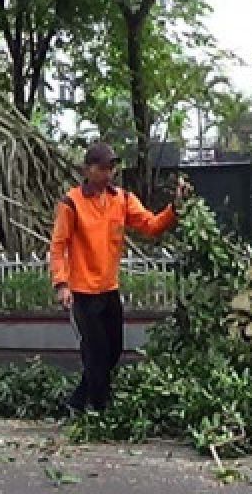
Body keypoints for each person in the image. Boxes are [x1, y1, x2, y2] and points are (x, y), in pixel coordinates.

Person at [50, 142, 191, 413]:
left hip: (108, 289)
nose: (108, 173)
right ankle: (100, 407)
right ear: (87, 169)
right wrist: (62, 283)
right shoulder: (71, 203)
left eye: (112, 167)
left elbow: (150, 226)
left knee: (114, 350)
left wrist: (175, 207)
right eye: (102, 167)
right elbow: (58, 246)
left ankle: (77, 402)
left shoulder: (122, 199)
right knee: (96, 351)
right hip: (82, 292)